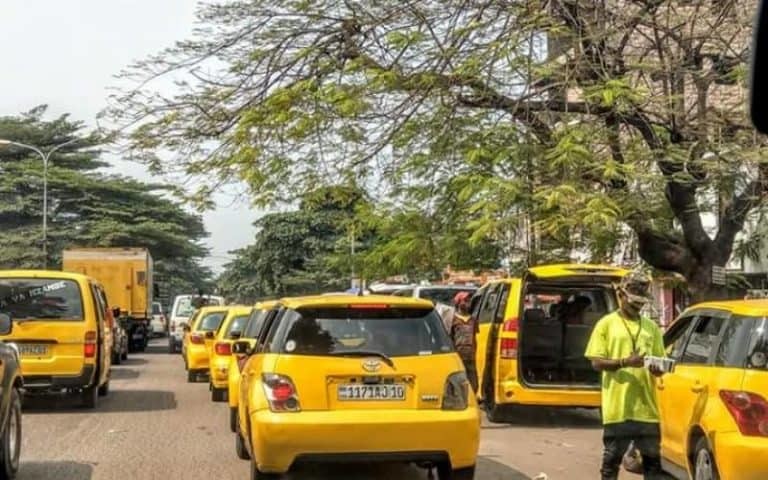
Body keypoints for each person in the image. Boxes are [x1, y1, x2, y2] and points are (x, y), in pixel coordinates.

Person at [584, 269, 666, 480]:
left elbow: (660, 360)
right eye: (633, 301)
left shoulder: (652, 328)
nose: (637, 306)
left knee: (653, 465)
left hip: (647, 409)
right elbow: (596, 362)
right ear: (621, 295)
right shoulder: (606, 324)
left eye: (641, 302)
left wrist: (659, 369)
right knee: (611, 463)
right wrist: (623, 362)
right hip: (617, 409)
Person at [449, 291, 479, 393]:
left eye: (469, 301)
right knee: (459, 382)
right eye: (465, 301)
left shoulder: (473, 320)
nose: (468, 303)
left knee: (474, 383)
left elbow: (474, 338)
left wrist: (474, 352)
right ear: (459, 303)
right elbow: (450, 337)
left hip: (470, 356)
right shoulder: (453, 319)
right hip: (458, 355)